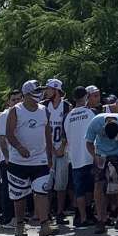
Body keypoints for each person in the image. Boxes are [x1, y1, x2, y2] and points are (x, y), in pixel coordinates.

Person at [6, 80, 56, 236]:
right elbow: (9, 133)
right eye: (36, 91)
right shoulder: (16, 110)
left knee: (41, 191)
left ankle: (44, 225)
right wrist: (20, 148)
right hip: (18, 161)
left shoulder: (44, 110)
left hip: (39, 160)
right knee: (19, 196)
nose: (40, 94)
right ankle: (20, 225)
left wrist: (50, 157)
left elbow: (47, 135)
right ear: (26, 94)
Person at [85, 108, 118, 235]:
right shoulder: (95, 123)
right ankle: (101, 219)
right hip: (101, 152)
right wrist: (95, 156)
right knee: (98, 184)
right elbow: (89, 143)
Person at [63, 86, 96, 228]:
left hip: (74, 158)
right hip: (89, 155)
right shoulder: (90, 113)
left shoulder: (68, 117)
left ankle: (83, 217)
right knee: (88, 188)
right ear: (86, 96)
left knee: (80, 190)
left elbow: (66, 137)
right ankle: (86, 216)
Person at [43, 78, 71, 227]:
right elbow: (43, 128)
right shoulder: (44, 106)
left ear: (56, 90)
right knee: (46, 182)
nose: (46, 92)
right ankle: (45, 213)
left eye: (49, 89)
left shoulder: (66, 106)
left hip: (62, 149)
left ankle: (60, 212)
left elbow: (68, 127)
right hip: (47, 149)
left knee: (61, 183)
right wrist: (52, 148)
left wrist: (62, 146)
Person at [0, 89, 22, 228]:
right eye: (14, 100)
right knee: (7, 189)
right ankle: (7, 218)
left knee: (19, 189)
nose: (17, 102)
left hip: (20, 159)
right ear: (8, 102)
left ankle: (18, 218)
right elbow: (1, 138)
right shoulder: (4, 116)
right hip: (8, 160)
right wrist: (7, 158)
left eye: (19, 99)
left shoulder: (23, 114)